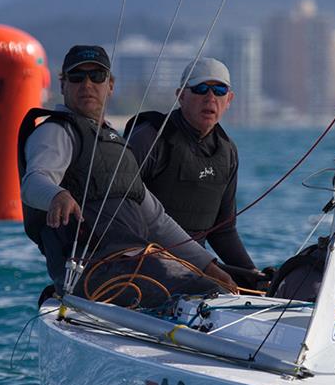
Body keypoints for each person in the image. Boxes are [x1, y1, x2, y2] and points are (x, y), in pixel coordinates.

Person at [17, 45, 235, 307]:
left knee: (213, 285)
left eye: (97, 76)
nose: (87, 84)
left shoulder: (115, 145)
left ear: (110, 84)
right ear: (63, 85)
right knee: (201, 293)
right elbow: (33, 181)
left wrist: (208, 265)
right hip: (94, 273)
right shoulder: (56, 132)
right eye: (77, 77)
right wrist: (57, 195)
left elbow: (157, 221)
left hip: (134, 263)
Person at [124, 58, 257, 285]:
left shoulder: (227, 152)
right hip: (139, 261)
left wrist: (252, 275)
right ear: (181, 95)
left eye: (219, 90)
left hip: (197, 266)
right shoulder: (149, 138)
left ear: (229, 100)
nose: (210, 98)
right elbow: (118, 209)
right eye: (200, 89)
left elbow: (222, 231)